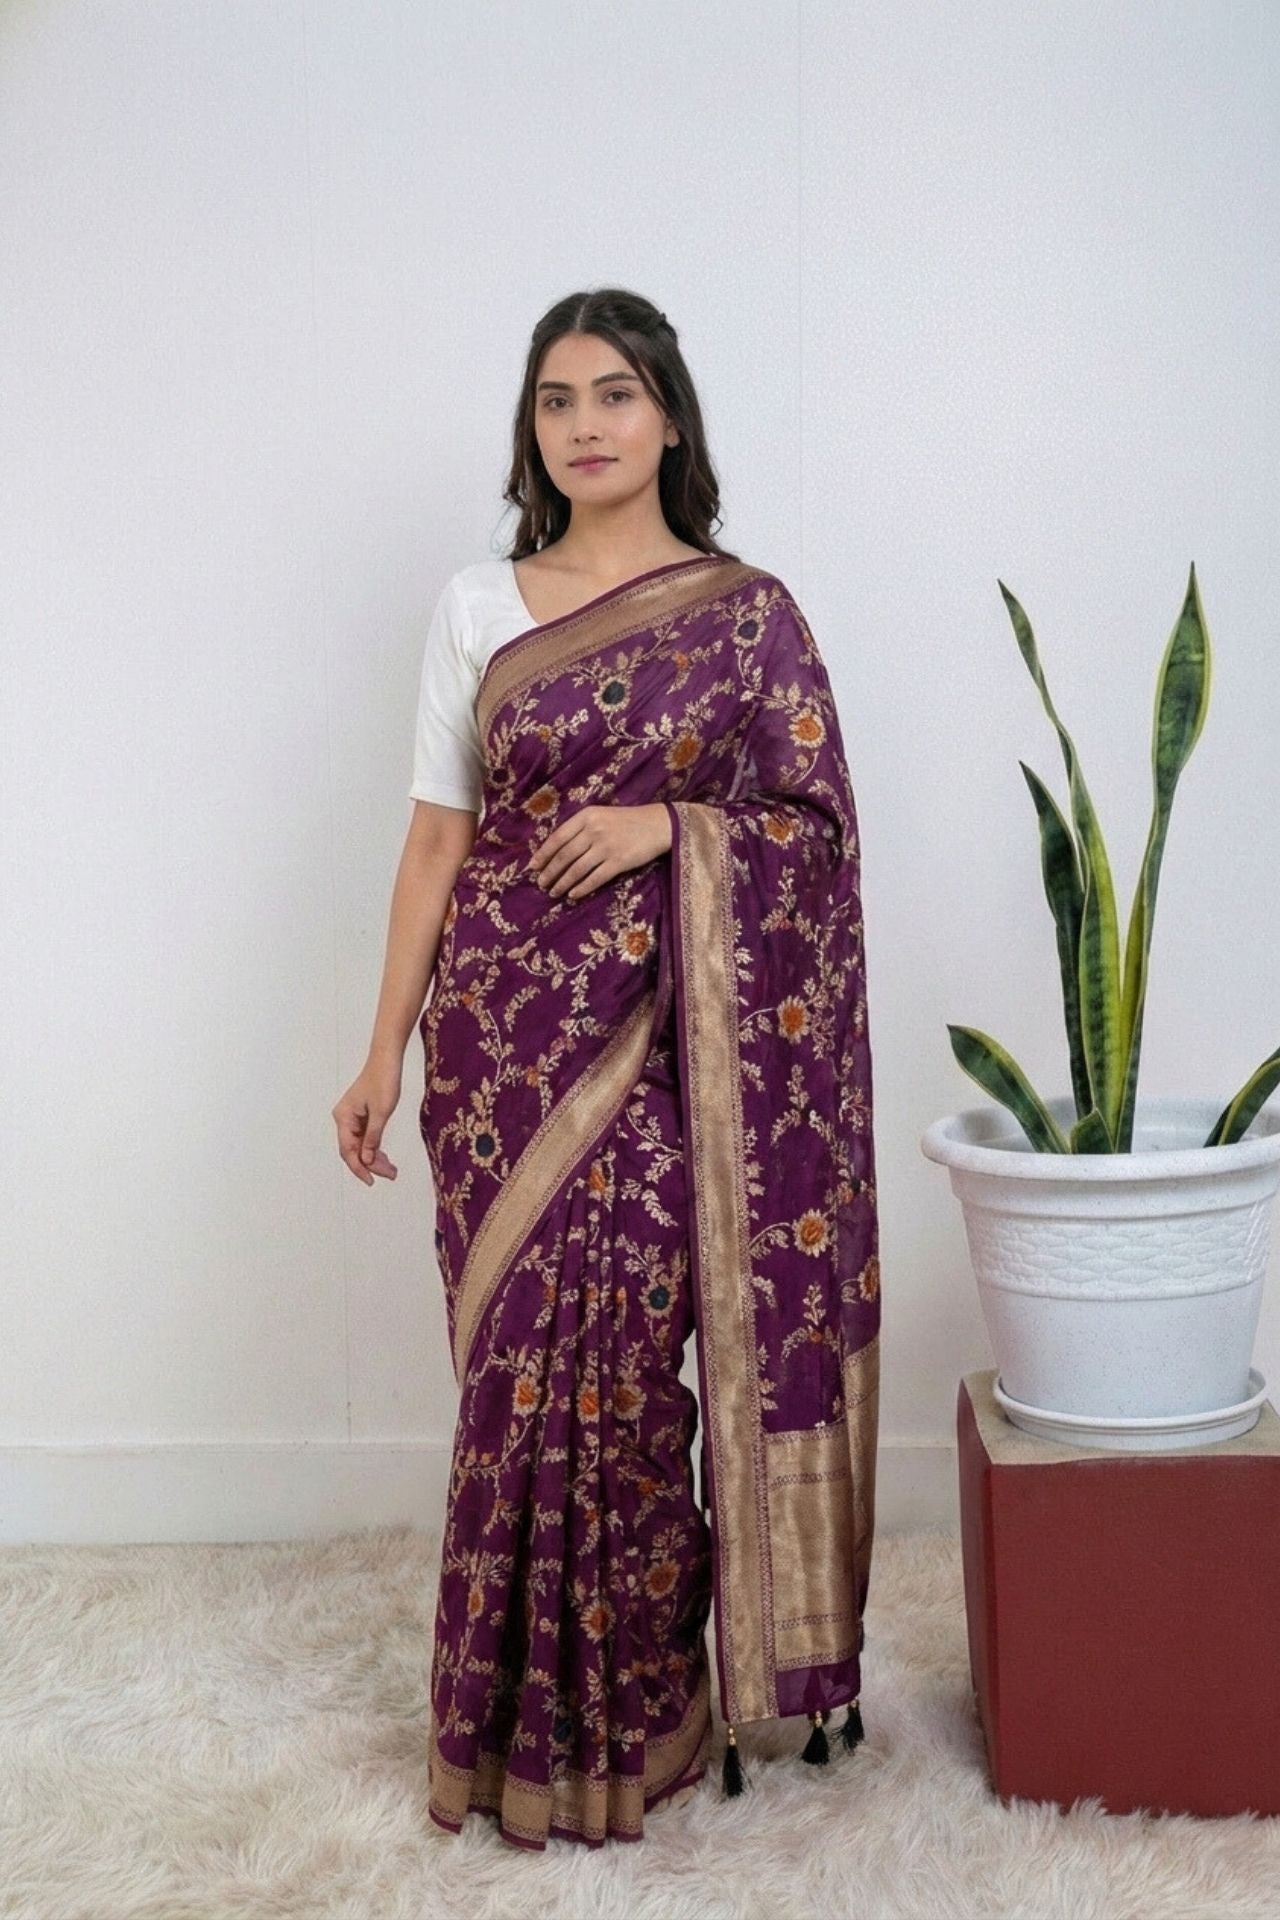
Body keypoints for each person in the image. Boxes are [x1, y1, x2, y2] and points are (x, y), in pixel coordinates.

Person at [332, 288, 880, 1852]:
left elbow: (816, 837)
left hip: (662, 1054)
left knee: (628, 1376)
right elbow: (437, 836)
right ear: (534, 431)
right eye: (557, 400)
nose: (585, 425)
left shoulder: (750, 617)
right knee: (515, 1387)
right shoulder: (477, 605)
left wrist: (667, 827)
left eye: (616, 395)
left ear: (670, 418)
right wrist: (381, 1050)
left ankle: (644, 1717)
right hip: (497, 1051)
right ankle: (510, 1730)